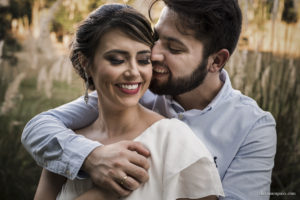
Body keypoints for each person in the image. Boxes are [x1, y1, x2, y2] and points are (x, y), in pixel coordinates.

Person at [22, 0, 277, 199]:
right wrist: (91, 158)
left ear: (216, 61)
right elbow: (40, 126)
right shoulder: (134, 92)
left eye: (174, 48)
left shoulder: (253, 127)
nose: (153, 55)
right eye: (156, 39)